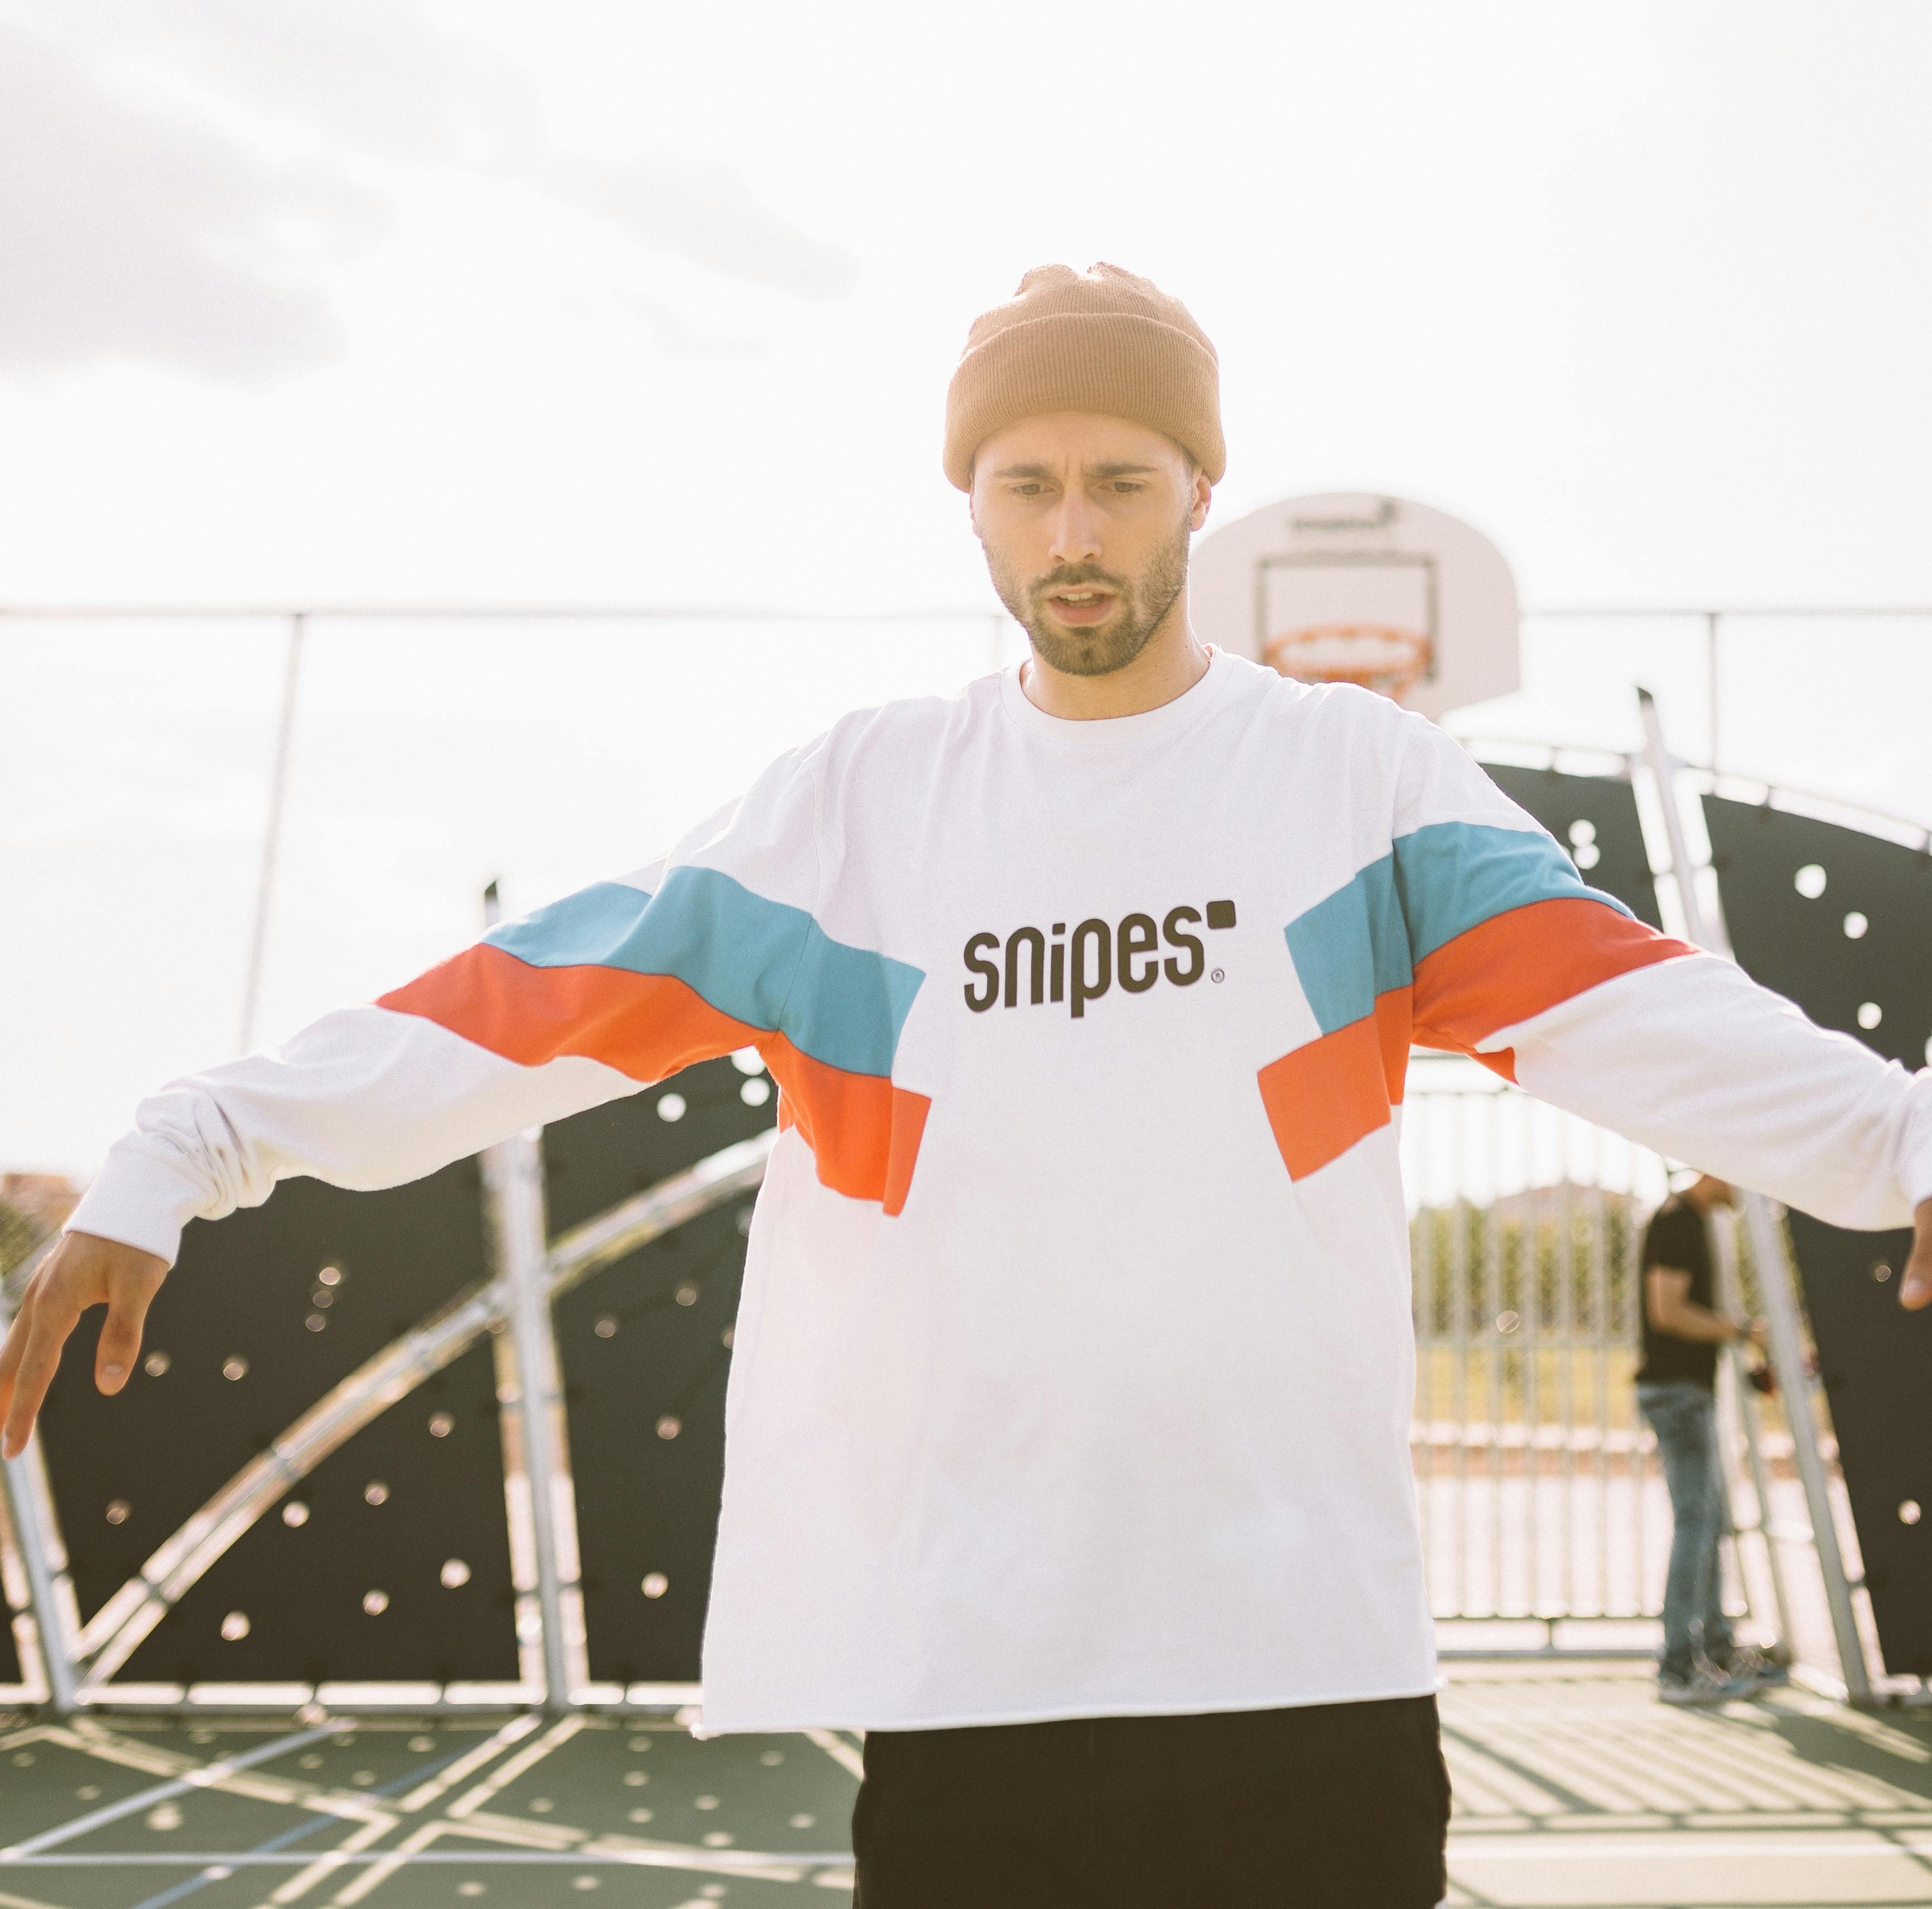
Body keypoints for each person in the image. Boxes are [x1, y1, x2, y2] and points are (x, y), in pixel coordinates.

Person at [5, 259, 1932, 1909]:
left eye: (1118, 478)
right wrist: (193, 1137)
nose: (1074, 530)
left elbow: (1640, 999)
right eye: (1028, 485)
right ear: (973, 503)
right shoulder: (859, 808)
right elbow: (523, 1004)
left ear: (1200, 489)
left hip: (1305, 1675)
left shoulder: (1359, 788)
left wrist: (1903, 1135)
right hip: (972, 1678)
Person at [1635, 1173, 1786, 1702]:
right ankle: (1677, 1665)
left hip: (1686, 1393)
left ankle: (1717, 1648)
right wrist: (1740, 1330)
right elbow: (1667, 1312)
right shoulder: (1677, 1221)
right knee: (1697, 1520)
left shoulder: (1694, 1220)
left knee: (1709, 1519)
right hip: (1674, 1395)